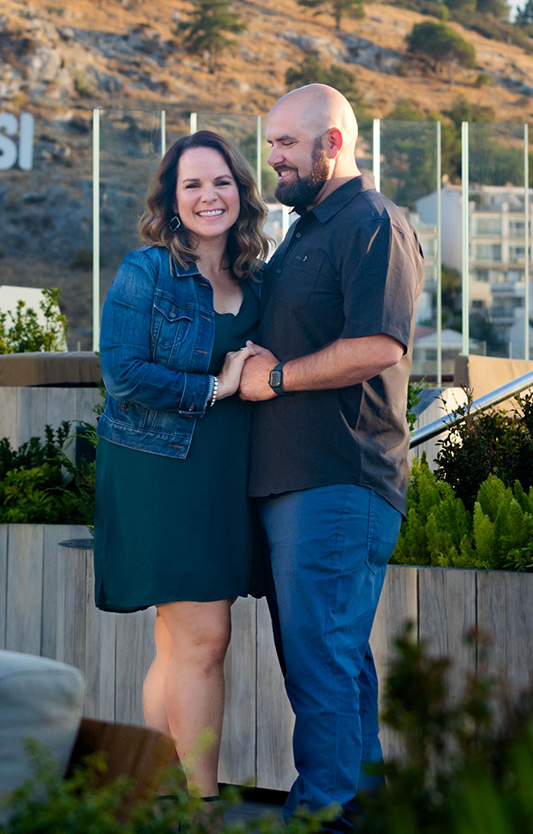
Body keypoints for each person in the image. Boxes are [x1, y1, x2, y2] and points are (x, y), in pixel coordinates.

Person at [239, 84, 422, 826]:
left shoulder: (373, 224)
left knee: (321, 664)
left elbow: (380, 343)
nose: (272, 156)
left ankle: (323, 814)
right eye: (272, 141)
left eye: (286, 142)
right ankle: (360, 811)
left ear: (334, 143)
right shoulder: (303, 230)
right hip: (298, 486)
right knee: (336, 663)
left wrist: (276, 376)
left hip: (338, 482)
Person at [94, 130, 271, 794]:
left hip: (222, 476)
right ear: (170, 200)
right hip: (158, 472)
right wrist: (214, 386)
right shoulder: (146, 270)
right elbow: (122, 372)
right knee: (206, 636)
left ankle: (162, 798)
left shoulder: (255, 277)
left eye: (220, 181)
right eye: (192, 184)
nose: (208, 195)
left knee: (179, 644)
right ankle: (199, 804)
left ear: (240, 191)